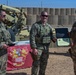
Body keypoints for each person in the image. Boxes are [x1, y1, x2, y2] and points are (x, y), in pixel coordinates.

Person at [30, 11, 57, 75]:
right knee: (36, 63)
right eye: (43, 15)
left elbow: (52, 36)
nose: (44, 17)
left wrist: (55, 38)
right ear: (40, 16)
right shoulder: (36, 25)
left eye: (46, 16)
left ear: (47, 17)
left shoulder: (49, 27)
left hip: (46, 48)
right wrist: (34, 48)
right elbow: (32, 37)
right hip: (38, 47)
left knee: (44, 64)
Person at [0, 10, 14, 75]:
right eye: (4, 16)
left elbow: (6, 37)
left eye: (5, 16)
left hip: (3, 52)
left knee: (3, 69)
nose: (5, 17)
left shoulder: (3, 25)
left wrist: (11, 43)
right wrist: (1, 45)